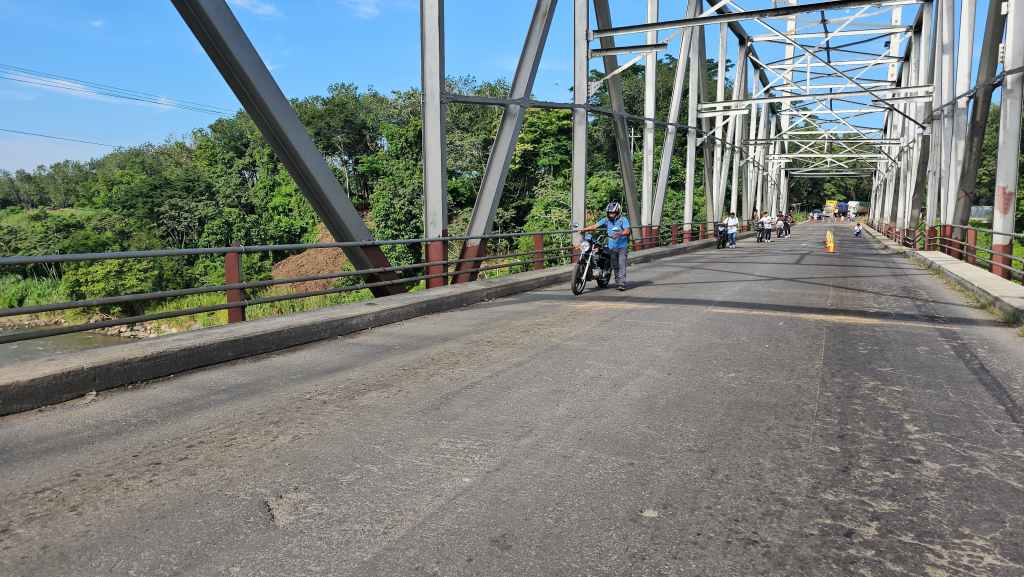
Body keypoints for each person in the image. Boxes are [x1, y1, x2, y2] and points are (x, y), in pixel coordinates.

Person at [579, 202, 631, 291]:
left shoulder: (623, 219)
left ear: (618, 212)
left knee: (621, 264)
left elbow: (627, 231)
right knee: (615, 265)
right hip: (612, 247)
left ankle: (621, 283)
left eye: (613, 213)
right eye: (609, 213)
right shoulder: (606, 220)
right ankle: (618, 281)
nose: (611, 214)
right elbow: (595, 226)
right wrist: (584, 229)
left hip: (622, 246)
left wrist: (620, 233)